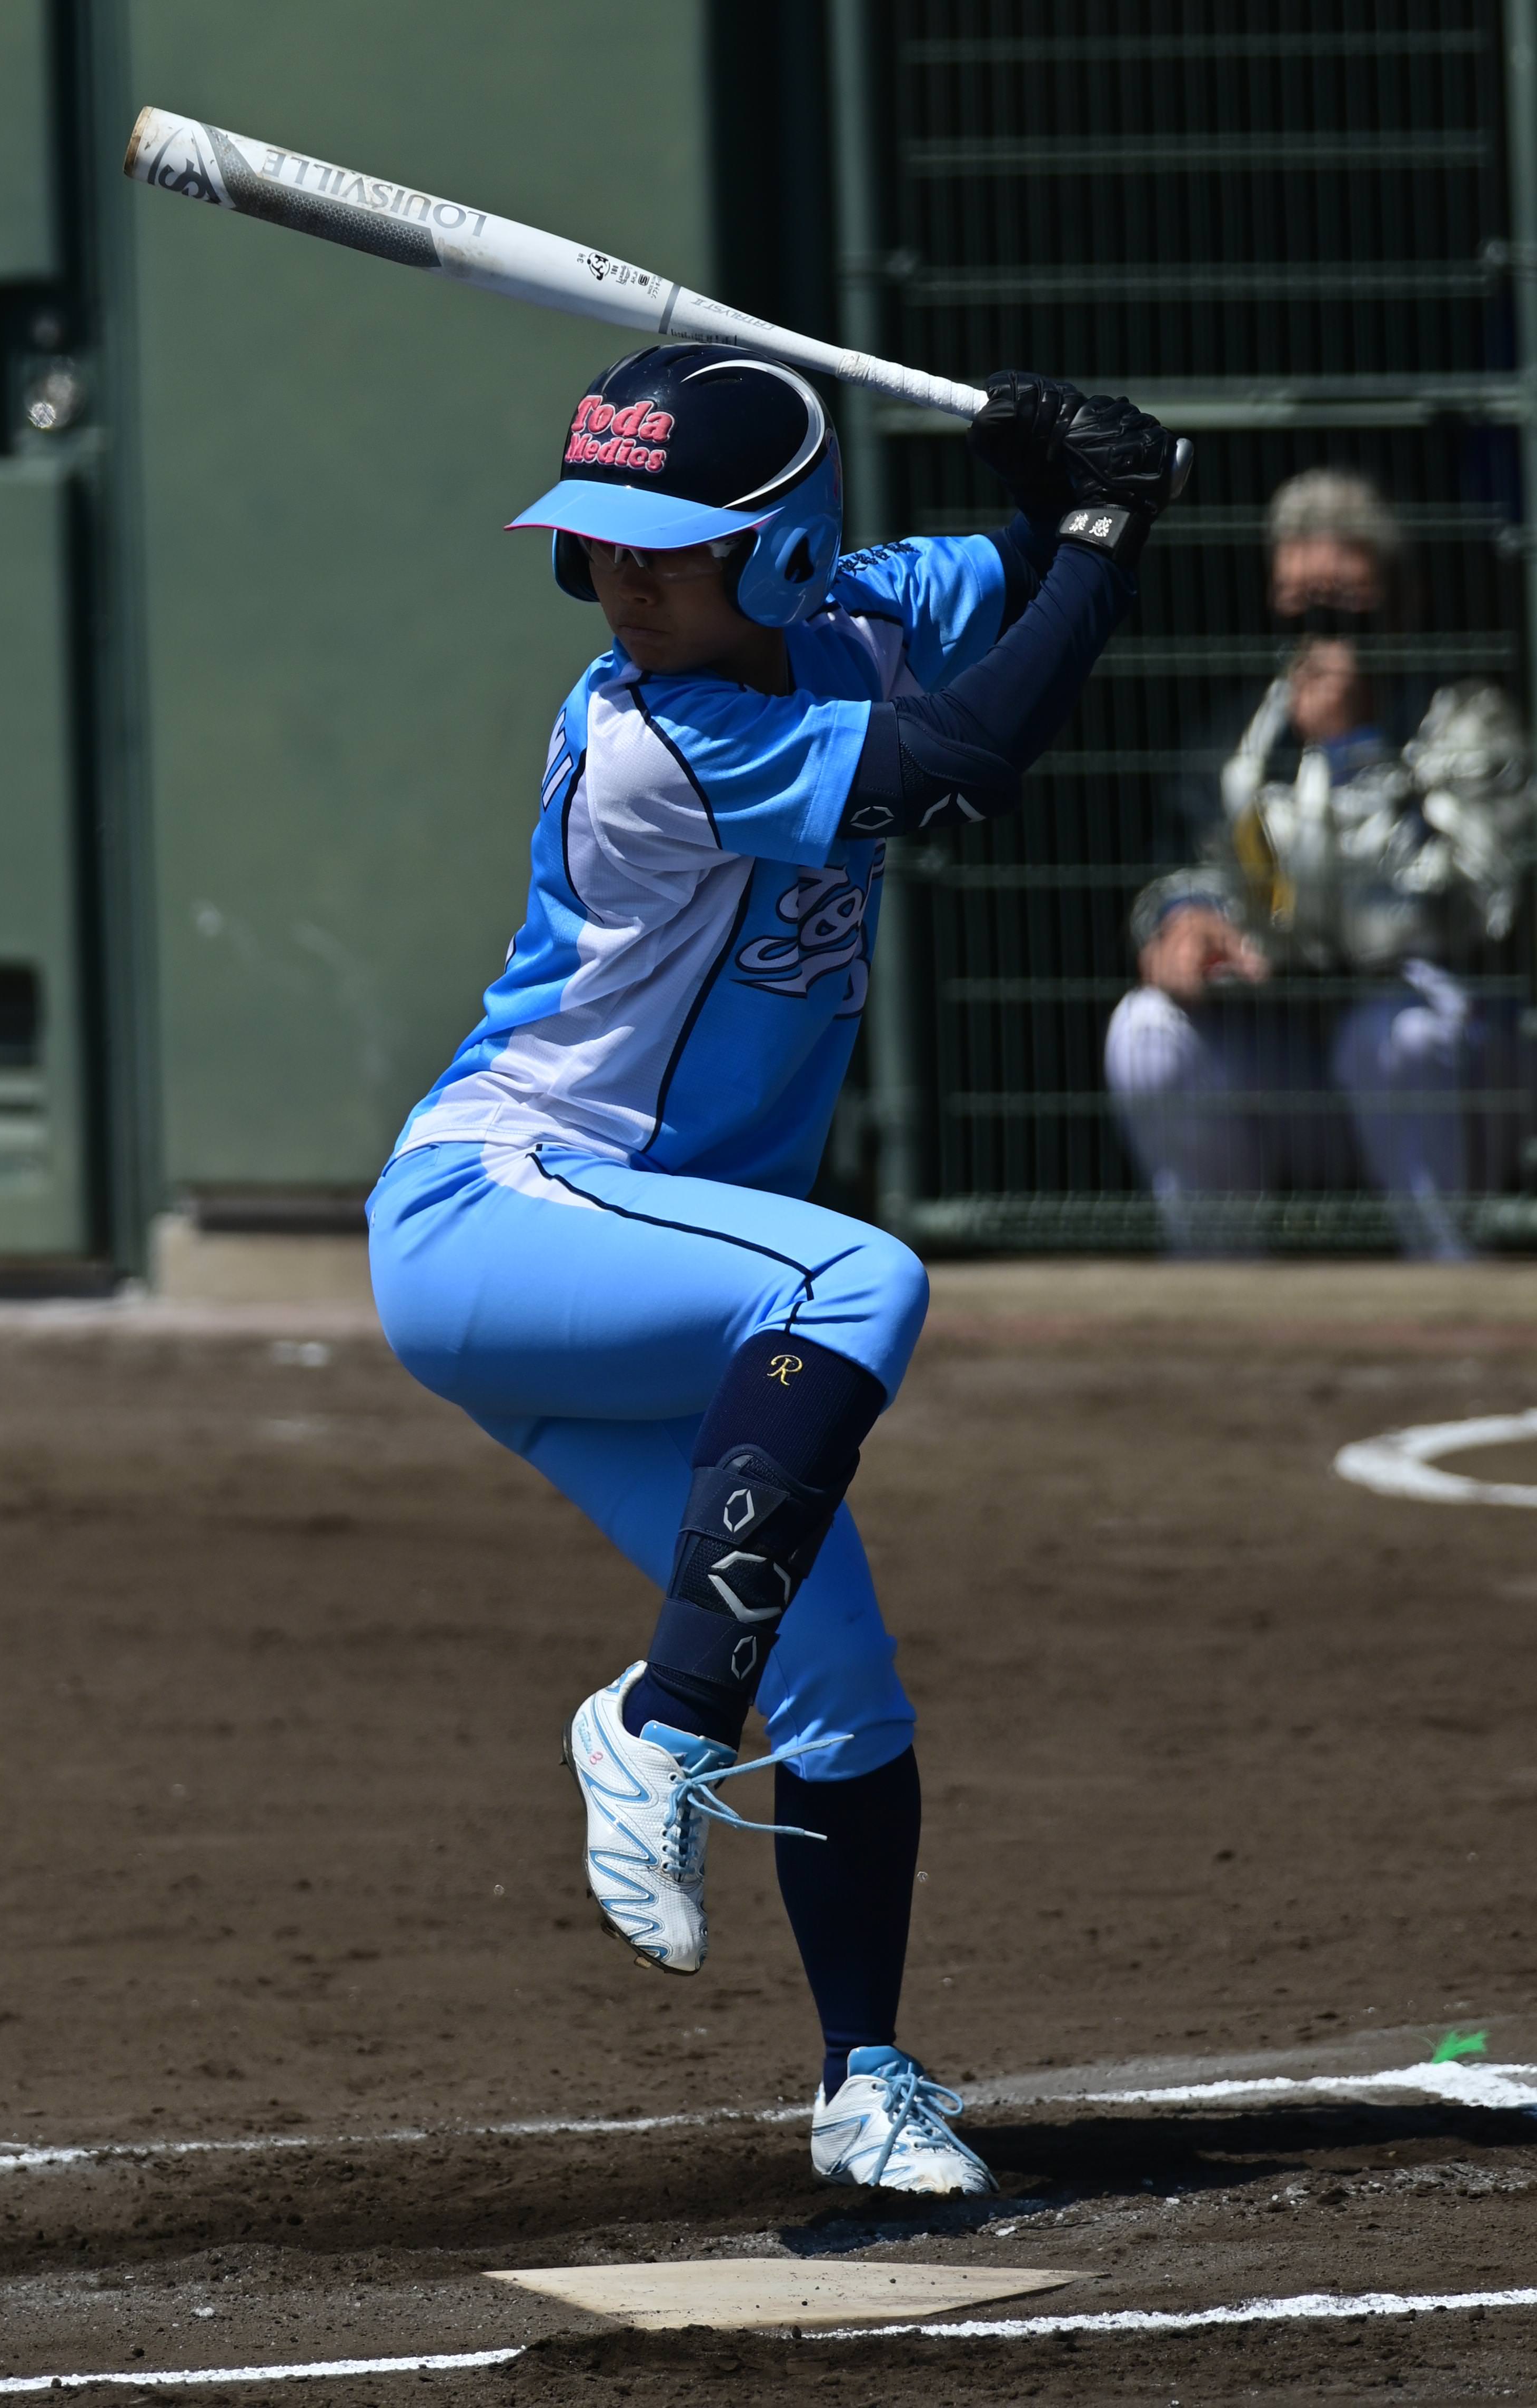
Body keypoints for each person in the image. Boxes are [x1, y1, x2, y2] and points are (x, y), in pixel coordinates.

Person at [368, 352, 1182, 2194]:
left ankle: (863, 2078)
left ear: (790, 553)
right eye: (600, 548)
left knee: (844, 1686)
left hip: (652, 1287)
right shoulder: (652, 737)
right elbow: (966, 767)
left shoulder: (869, 607)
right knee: (858, 1282)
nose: (624, 582)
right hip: (503, 1215)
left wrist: (1073, 483)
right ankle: (657, 1723)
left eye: (667, 549)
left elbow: (1028, 567)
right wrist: (1105, 528)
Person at [1106, 471, 1533, 1259]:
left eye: (1347, 603)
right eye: (1302, 605)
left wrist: (1352, 751)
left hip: (1457, 1072)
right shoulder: (1245, 735)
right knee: (1146, 1028)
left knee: (1391, 1034)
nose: (1324, 630)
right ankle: (1214, 1291)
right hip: (1301, 1066)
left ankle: (1445, 1286)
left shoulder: (1470, 724)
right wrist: (1186, 918)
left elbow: (1452, 916)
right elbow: (1190, 865)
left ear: (1402, 603)